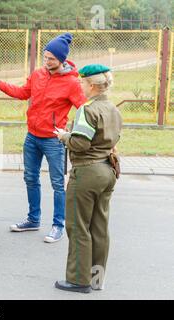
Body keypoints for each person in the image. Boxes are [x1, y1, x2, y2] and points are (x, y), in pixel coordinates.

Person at [0, 33, 87, 243]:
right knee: (30, 179)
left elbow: (85, 110)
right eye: (45, 56)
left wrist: (72, 134)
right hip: (32, 137)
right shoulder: (38, 74)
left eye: (51, 58)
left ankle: (58, 226)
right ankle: (33, 220)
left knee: (58, 184)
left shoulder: (72, 83)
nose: (46, 61)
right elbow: (23, 93)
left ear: (61, 59)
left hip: (54, 140)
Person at [53, 64, 123, 293]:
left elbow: (81, 144)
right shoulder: (113, 108)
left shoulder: (86, 109)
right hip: (108, 171)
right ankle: (96, 279)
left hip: (87, 173)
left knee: (78, 226)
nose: (80, 86)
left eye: (82, 82)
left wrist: (65, 136)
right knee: (99, 227)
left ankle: (78, 280)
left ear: (91, 85)